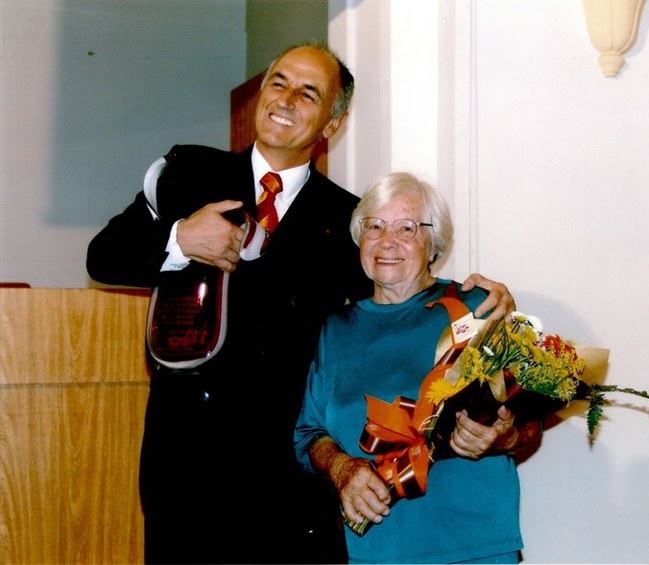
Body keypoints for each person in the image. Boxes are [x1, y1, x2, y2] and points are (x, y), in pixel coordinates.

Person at [87, 43, 515, 565]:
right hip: (184, 460)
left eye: (308, 93)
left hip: (287, 482)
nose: (286, 99)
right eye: (279, 82)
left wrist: (475, 299)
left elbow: (397, 295)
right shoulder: (189, 173)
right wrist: (179, 239)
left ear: (332, 123)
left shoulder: (350, 220)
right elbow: (102, 257)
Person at [294, 172, 543, 564]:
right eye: (374, 226)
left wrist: (505, 437)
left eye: (406, 228)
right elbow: (308, 435)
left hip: (475, 547)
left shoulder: (476, 306)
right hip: (376, 550)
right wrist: (341, 467)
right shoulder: (337, 330)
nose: (387, 241)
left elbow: (532, 423)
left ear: (433, 244)